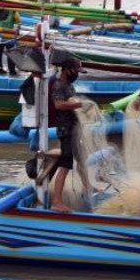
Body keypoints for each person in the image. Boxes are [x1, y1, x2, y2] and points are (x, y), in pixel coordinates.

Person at [50, 55, 86, 213]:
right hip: (65, 131)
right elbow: (58, 105)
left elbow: (71, 102)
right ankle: (56, 201)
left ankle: (89, 189)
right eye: (76, 71)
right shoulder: (59, 85)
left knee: (82, 161)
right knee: (65, 165)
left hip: (74, 129)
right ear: (67, 70)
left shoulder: (69, 86)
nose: (77, 74)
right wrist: (79, 104)